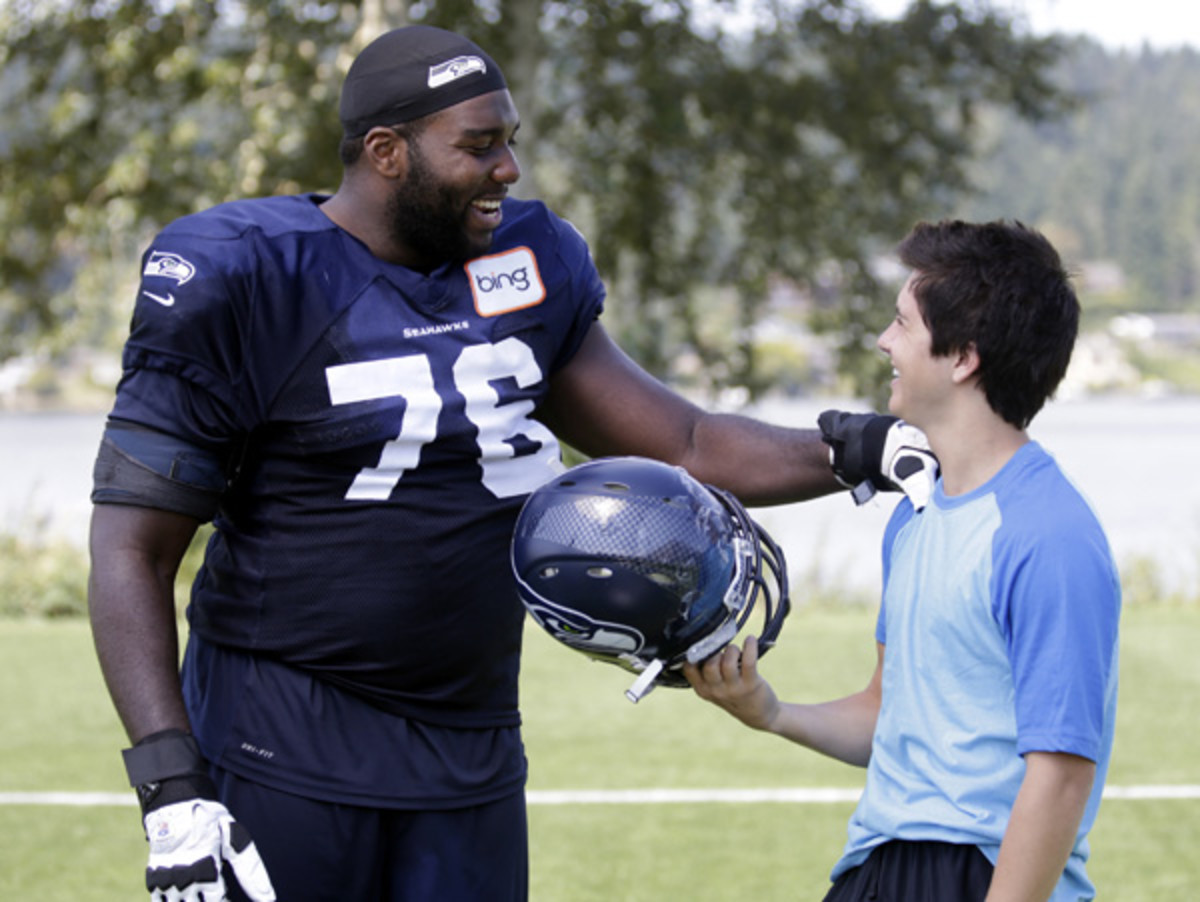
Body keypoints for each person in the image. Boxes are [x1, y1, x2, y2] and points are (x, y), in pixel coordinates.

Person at [86, 24, 933, 902]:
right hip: (283, 743)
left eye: (511, 142)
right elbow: (130, 549)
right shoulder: (251, 273)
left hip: (470, 745)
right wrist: (170, 788)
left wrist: (851, 448)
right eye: (479, 146)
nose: (509, 170)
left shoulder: (527, 262)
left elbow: (683, 444)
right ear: (386, 152)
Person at [687, 220, 1121, 902]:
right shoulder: (915, 513)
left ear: (963, 358)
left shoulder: (1048, 535)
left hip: (977, 875)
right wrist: (771, 712)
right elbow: (889, 712)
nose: (884, 342)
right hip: (877, 866)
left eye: (902, 323)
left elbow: (1061, 774)